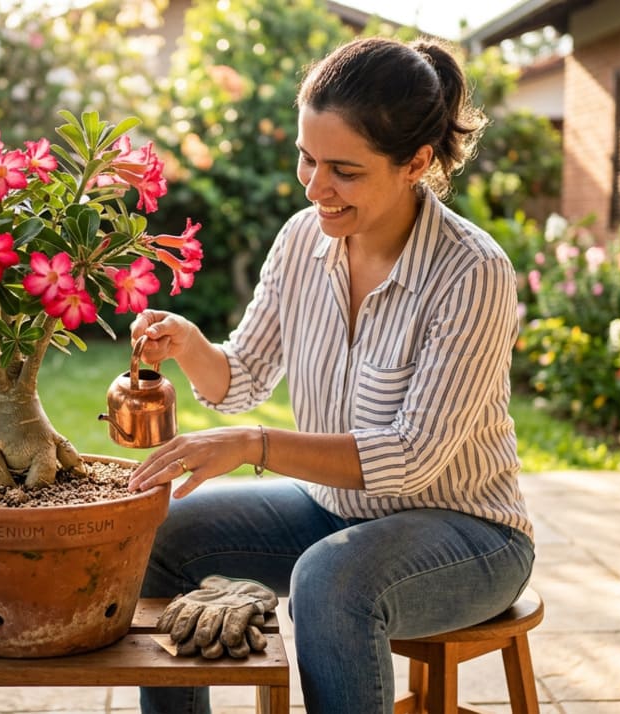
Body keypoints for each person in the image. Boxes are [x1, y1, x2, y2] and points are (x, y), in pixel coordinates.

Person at [127, 35, 535, 714]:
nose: (316, 187)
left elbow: (410, 460)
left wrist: (255, 445)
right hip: (332, 510)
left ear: (416, 163)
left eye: (342, 169)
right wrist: (192, 346)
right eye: (306, 159)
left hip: (469, 532)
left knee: (330, 582)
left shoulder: (472, 272)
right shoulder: (300, 240)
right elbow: (246, 375)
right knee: (157, 533)